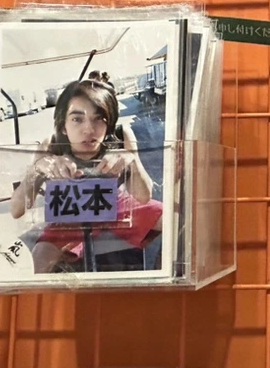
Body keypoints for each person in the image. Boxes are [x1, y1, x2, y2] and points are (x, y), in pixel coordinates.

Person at [10, 79, 162, 274]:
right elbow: (16, 210)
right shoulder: (52, 144)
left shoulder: (120, 136)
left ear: (109, 124)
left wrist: (130, 160)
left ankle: (162, 283)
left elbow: (143, 196)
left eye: (99, 119)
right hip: (69, 211)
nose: (89, 129)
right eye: (77, 119)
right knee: (38, 260)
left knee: (173, 221)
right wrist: (38, 169)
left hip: (114, 202)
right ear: (63, 125)